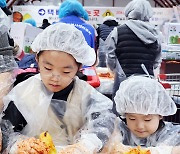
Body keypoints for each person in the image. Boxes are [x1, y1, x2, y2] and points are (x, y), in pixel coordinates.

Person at [0, 23, 115, 153]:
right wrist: (17, 146)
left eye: (66, 72)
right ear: (37, 59)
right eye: (48, 68)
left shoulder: (85, 94)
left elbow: (105, 121)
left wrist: (88, 144)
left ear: (79, 67)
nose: (55, 77)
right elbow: (7, 130)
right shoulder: (23, 93)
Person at [109, 76, 180, 154]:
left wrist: (165, 151)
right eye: (132, 118)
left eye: (147, 120)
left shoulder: (172, 135)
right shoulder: (119, 130)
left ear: (160, 115)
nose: (140, 126)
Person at [105, 0, 162, 97]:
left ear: (129, 11)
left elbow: (110, 55)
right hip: (147, 80)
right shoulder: (156, 34)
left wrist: (114, 69)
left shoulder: (118, 31)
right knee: (144, 108)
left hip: (124, 79)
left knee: (122, 108)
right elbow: (157, 59)